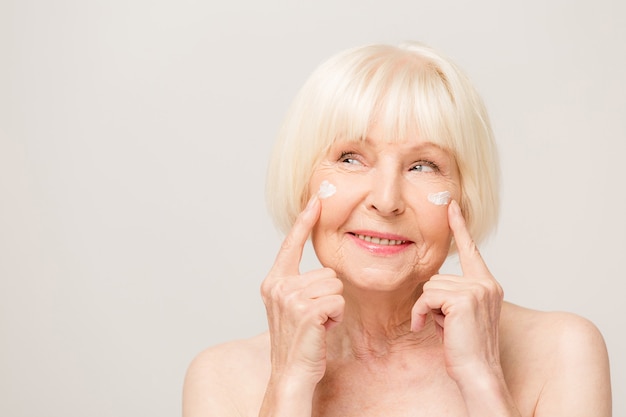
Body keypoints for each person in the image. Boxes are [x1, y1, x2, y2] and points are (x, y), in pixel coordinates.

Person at [182, 41, 612, 417]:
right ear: (301, 182)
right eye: (351, 158)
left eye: (423, 166)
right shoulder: (222, 378)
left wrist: (484, 380)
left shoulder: (561, 352)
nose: (386, 200)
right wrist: (288, 387)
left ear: (466, 195)